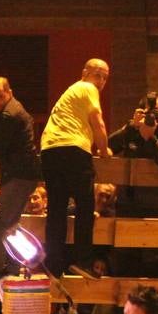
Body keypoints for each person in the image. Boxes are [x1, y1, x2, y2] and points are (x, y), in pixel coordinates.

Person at [40, 59, 110, 279]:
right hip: (73, 149)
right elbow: (97, 122)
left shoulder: (69, 94)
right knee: (85, 205)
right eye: (97, 74)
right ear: (84, 74)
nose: (100, 81)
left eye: (105, 77)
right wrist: (104, 150)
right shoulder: (87, 88)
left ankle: (53, 264)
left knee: (57, 209)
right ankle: (83, 261)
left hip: (50, 149)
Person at [106, 91, 158, 278]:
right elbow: (108, 146)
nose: (157, 114)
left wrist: (150, 138)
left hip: (155, 208)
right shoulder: (132, 129)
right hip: (127, 207)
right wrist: (130, 128)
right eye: (152, 110)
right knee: (125, 267)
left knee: (154, 267)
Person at [0, 77, 41, 280]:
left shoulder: (7, 115)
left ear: (9, 93)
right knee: (11, 223)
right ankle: (12, 266)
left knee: (2, 221)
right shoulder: (18, 109)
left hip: (17, 175)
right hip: (26, 175)